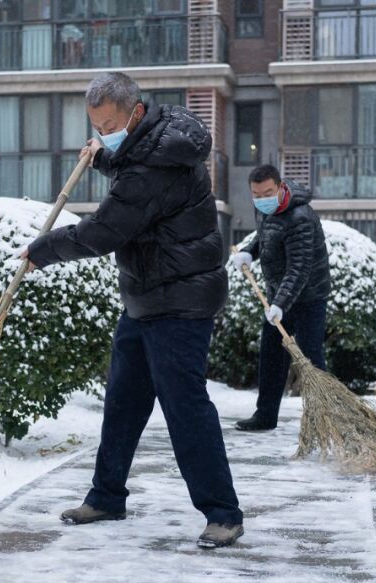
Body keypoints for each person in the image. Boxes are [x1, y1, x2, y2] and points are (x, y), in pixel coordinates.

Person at [22, 72, 244, 549]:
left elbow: (104, 231)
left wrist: (45, 249)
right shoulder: (157, 140)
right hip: (145, 298)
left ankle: (223, 513)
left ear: (135, 113)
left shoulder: (153, 170)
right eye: (97, 127)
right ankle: (106, 497)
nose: (104, 134)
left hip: (180, 301)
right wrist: (104, 156)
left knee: (185, 408)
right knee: (122, 404)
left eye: (109, 127)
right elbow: (132, 162)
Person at [229, 164, 331, 432]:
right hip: (279, 295)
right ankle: (265, 416)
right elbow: (267, 236)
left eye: (267, 193)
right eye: (256, 194)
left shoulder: (300, 217)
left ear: (280, 187)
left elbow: (299, 268)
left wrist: (280, 304)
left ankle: (325, 418)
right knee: (271, 356)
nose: (262, 199)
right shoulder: (265, 209)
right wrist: (249, 251)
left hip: (309, 296)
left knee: (310, 357)